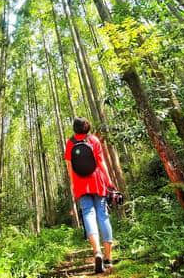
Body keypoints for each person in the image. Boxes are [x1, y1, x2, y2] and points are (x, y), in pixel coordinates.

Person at [64, 117, 115, 274]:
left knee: (88, 214)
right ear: (87, 127)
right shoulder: (93, 140)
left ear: (75, 128)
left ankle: (97, 252)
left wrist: (73, 185)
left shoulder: (70, 142)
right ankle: (107, 257)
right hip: (97, 180)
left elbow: (69, 167)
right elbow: (101, 163)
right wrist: (109, 182)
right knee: (103, 214)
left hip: (81, 183)